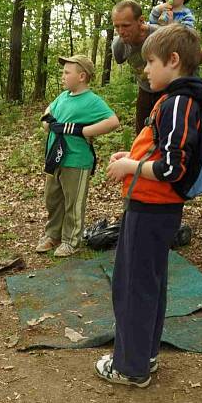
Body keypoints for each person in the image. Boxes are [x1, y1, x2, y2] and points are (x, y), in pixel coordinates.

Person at [96, 24, 202, 387]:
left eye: (151, 62)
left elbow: (172, 167)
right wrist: (133, 155)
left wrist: (129, 167)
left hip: (152, 209)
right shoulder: (176, 100)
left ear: (173, 60)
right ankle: (143, 355)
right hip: (152, 207)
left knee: (134, 285)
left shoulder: (180, 102)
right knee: (145, 283)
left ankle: (130, 368)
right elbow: (163, 151)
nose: (146, 69)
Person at [35, 55, 119, 257]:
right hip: (55, 157)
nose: (63, 76)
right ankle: (53, 234)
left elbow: (113, 121)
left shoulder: (92, 101)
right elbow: (48, 111)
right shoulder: (63, 97)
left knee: (74, 201)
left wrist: (85, 131)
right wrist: (47, 122)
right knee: (53, 198)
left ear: (81, 76)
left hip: (76, 160)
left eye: (66, 73)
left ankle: (71, 240)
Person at [112, 0, 163, 135]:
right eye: (117, 26)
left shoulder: (160, 36)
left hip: (168, 90)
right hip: (145, 90)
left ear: (141, 21)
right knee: (142, 133)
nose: (121, 31)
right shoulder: (119, 45)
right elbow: (119, 59)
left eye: (126, 25)